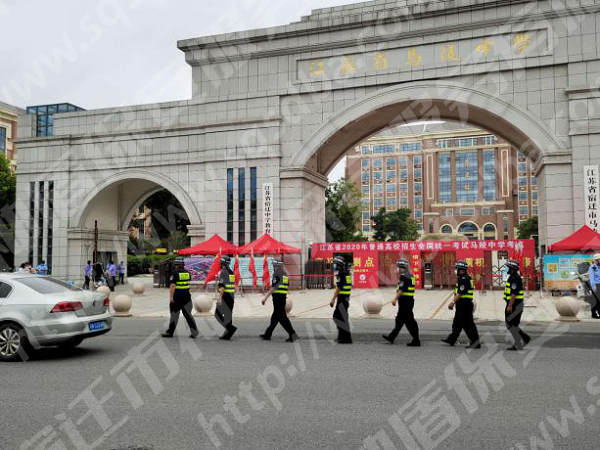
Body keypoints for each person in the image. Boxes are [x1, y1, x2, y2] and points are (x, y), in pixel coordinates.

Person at [442, 261, 481, 349]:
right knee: (457, 323)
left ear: (461, 270)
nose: (456, 270)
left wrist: (452, 302)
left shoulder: (464, 279)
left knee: (468, 325)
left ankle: (475, 343)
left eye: (457, 268)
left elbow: (460, 293)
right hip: (462, 305)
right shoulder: (463, 278)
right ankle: (452, 339)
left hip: (465, 305)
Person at [383, 259, 421, 347]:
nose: (397, 269)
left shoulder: (404, 277)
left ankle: (416, 340)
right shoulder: (410, 275)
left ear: (402, 268)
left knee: (409, 321)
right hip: (408, 300)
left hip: (405, 302)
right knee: (400, 319)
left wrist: (395, 299)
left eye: (399, 267)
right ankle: (392, 337)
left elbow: (402, 289)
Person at [260, 260, 298, 342]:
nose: (273, 267)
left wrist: (265, 298)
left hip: (278, 298)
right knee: (275, 317)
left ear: (277, 266)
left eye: (274, 265)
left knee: (282, 317)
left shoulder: (276, 274)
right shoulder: (285, 274)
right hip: (282, 297)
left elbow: (273, 287)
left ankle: (293, 335)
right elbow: (286, 286)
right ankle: (267, 334)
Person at [162, 258, 199, 339]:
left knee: (174, 316)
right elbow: (192, 278)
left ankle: (170, 332)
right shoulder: (187, 273)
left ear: (176, 265)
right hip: (187, 297)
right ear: (183, 265)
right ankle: (194, 332)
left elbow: (172, 285)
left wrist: (171, 297)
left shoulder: (175, 273)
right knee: (188, 315)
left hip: (177, 298)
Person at [504, 260, 532, 350]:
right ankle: (520, 342)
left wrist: (510, 305)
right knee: (513, 325)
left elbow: (513, 293)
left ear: (512, 269)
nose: (507, 269)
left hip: (514, 305)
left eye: (508, 267)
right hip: (515, 304)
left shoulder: (514, 278)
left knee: (510, 324)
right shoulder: (513, 277)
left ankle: (523, 339)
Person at [330, 256, 353, 344]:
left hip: (342, 299)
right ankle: (343, 337)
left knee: (338, 317)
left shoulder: (342, 274)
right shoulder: (346, 273)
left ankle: (345, 338)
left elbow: (339, 288)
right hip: (345, 299)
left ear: (339, 265)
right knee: (341, 318)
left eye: (336, 264)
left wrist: (333, 299)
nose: (335, 265)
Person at [215, 255, 238, 340]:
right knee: (228, 315)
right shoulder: (231, 272)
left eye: (221, 263)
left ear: (222, 263)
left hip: (225, 296)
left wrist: (220, 298)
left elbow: (222, 287)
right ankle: (228, 334)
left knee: (217, 314)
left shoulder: (223, 272)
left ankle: (230, 328)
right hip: (231, 296)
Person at [587, 255, 600, 319]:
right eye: (597, 259)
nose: (598, 260)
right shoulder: (592, 267)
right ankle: (594, 314)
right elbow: (592, 278)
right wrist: (593, 286)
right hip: (596, 285)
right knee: (596, 300)